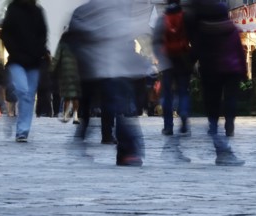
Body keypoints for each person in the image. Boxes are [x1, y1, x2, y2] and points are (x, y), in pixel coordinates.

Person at [69, 0, 148, 166]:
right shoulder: (113, 9)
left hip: (104, 67)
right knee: (111, 106)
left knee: (112, 106)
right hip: (103, 66)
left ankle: (124, 150)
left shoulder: (84, 11)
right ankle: (125, 151)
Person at [189, 1, 245, 166]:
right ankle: (229, 124)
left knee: (212, 105)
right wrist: (243, 70)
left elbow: (196, 52)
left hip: (211, 70)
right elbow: (239, 51)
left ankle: (214, 127)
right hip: (232, 69)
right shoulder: (232, 29)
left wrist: (188, 66)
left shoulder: (203, 31)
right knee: (231, 99)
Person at [0, 0, 48, 142]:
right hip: (17, 60)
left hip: (33, 61)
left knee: (28, 96)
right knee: (23, 90)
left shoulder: (37, 10)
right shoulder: (13, 9)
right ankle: (21, 127)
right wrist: (14, 51)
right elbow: (6, 33)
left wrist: (38, 51)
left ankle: (22, 131)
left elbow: (43, 33)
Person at [152, 0, 192, 136]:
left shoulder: (162, 19)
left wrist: (160, 58)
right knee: (183, 91)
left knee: (167, 94)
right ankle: (184, 113)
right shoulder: (186, 17)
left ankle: (168, 126)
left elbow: (156, 41)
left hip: (167, 60)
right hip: (182, 58)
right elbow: (192, 37)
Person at [51, 31, 81, 124]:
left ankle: (65, 115)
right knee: (76, 96)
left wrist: (51, 68)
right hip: (77, 73)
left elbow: (56, 58)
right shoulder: (77, 44)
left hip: (65, 73)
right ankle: (75, 116)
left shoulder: (62, 45)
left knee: (67, 96)